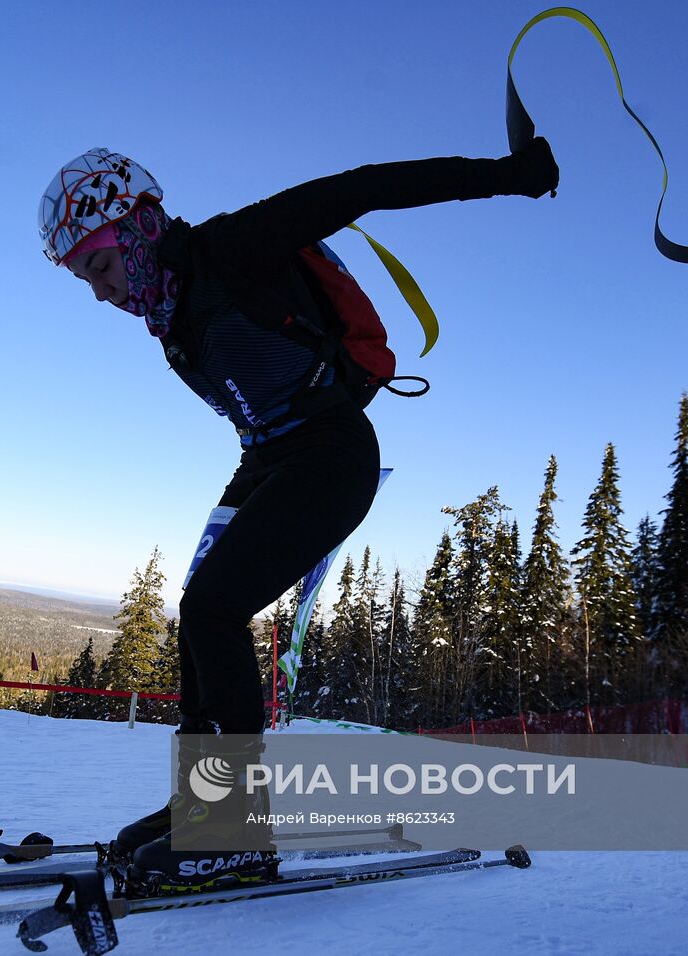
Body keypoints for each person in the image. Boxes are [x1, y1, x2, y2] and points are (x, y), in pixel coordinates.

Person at [38, 142, 558, 891]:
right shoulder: (173, 314)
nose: (100, 293)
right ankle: (205, 804)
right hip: (272, 458)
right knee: (200, 615)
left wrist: (509, 177)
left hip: (330, 455)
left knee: (216, 608)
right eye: (85, 278)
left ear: (138, 226)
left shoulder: (230, 247)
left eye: (99, 267)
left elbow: (367, 184)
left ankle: (232, 830)